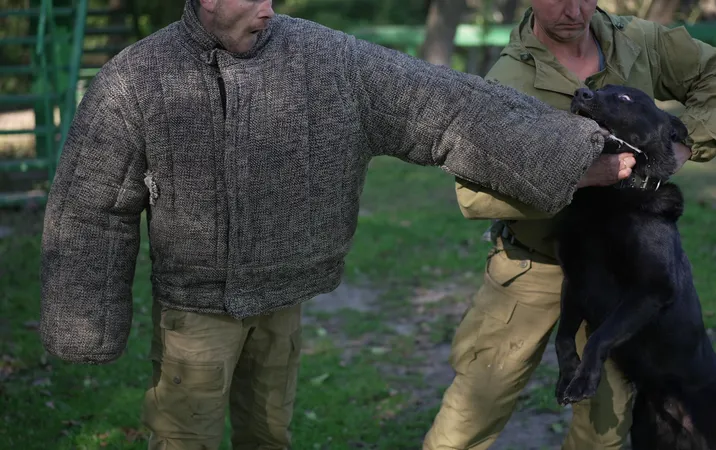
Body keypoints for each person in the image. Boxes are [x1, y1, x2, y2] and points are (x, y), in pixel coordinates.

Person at [37, 0, 637, 448]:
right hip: (195, 311)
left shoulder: (324, 59)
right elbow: (93, 204)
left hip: (286, 297)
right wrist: (83, 317)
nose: (269, 9)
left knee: (270, 434)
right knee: (183, 438)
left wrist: (565, 151)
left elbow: (445, 105)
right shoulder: (137, 78)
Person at [423, 1, 716, 449]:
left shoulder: (638, 41)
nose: (574, 11)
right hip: (533, 266)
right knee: (475, 407)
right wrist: (580, 174)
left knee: (603, 430)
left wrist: (679, 146)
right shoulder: (507, 81)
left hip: (620, 278)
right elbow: (474, 193)